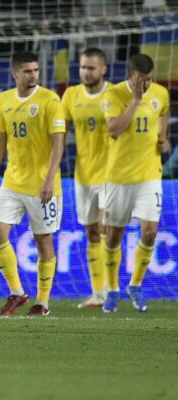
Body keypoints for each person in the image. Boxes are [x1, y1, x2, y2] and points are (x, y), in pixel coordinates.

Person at [0, 51, 66, 317]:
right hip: (12, 181)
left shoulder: (50, 100)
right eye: (27, 71)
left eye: (36, 70)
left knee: (43, 242)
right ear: (15, 73)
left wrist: (49, 178)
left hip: (43, 185)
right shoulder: (4, 99)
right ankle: (17, 292)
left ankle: (42, 302)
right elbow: (0, 138)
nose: (33, 75)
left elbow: (58, 144)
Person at [101, 54, 171, 313]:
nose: (147, 84)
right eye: (142, 80)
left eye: (150, 79)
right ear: (130, 76)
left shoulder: (161, 93)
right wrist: (136, 101)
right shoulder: (113, 94)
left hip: (150, 175)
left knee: (150, 231)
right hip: (118, 177)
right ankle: (112, 289)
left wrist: (162, 138)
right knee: (113, 236)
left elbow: (163, 113)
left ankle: (136, 285)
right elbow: (114, 129)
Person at [61, 48, 110, 309]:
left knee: (105, 229)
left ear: (103, 69)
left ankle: (110, 291)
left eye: (90, 68)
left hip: (112, 175)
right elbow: (60, 132)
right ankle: (98, 294)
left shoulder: (115, 94)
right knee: (92, 232)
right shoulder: (71, 95)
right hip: (83, 176)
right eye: (82, 67)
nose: (85, 72)